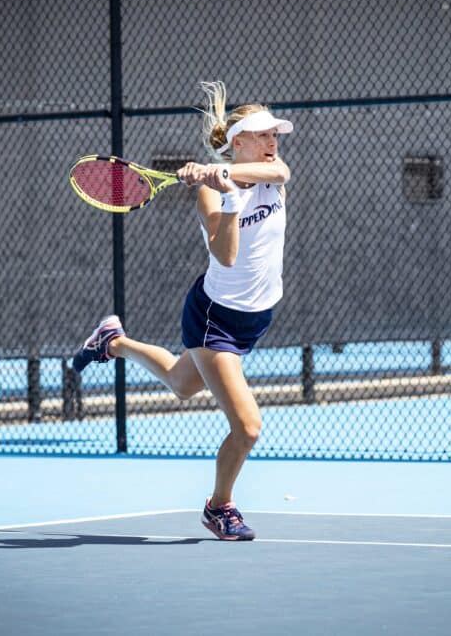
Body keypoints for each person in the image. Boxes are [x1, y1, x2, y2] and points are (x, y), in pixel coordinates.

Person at [73, 81, 293, 541]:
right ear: (240, 142)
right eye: (264, 135)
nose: (274, 143)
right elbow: (227, 255)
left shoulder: (275, 173)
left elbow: (281, 174)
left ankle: (113, 341)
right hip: (216, 317)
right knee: (248, 428)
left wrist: (226, 173)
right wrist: (227, 194)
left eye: (276, 134)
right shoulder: (210, 195)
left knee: (180, 382)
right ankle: (220, 507)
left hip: (258, 316)